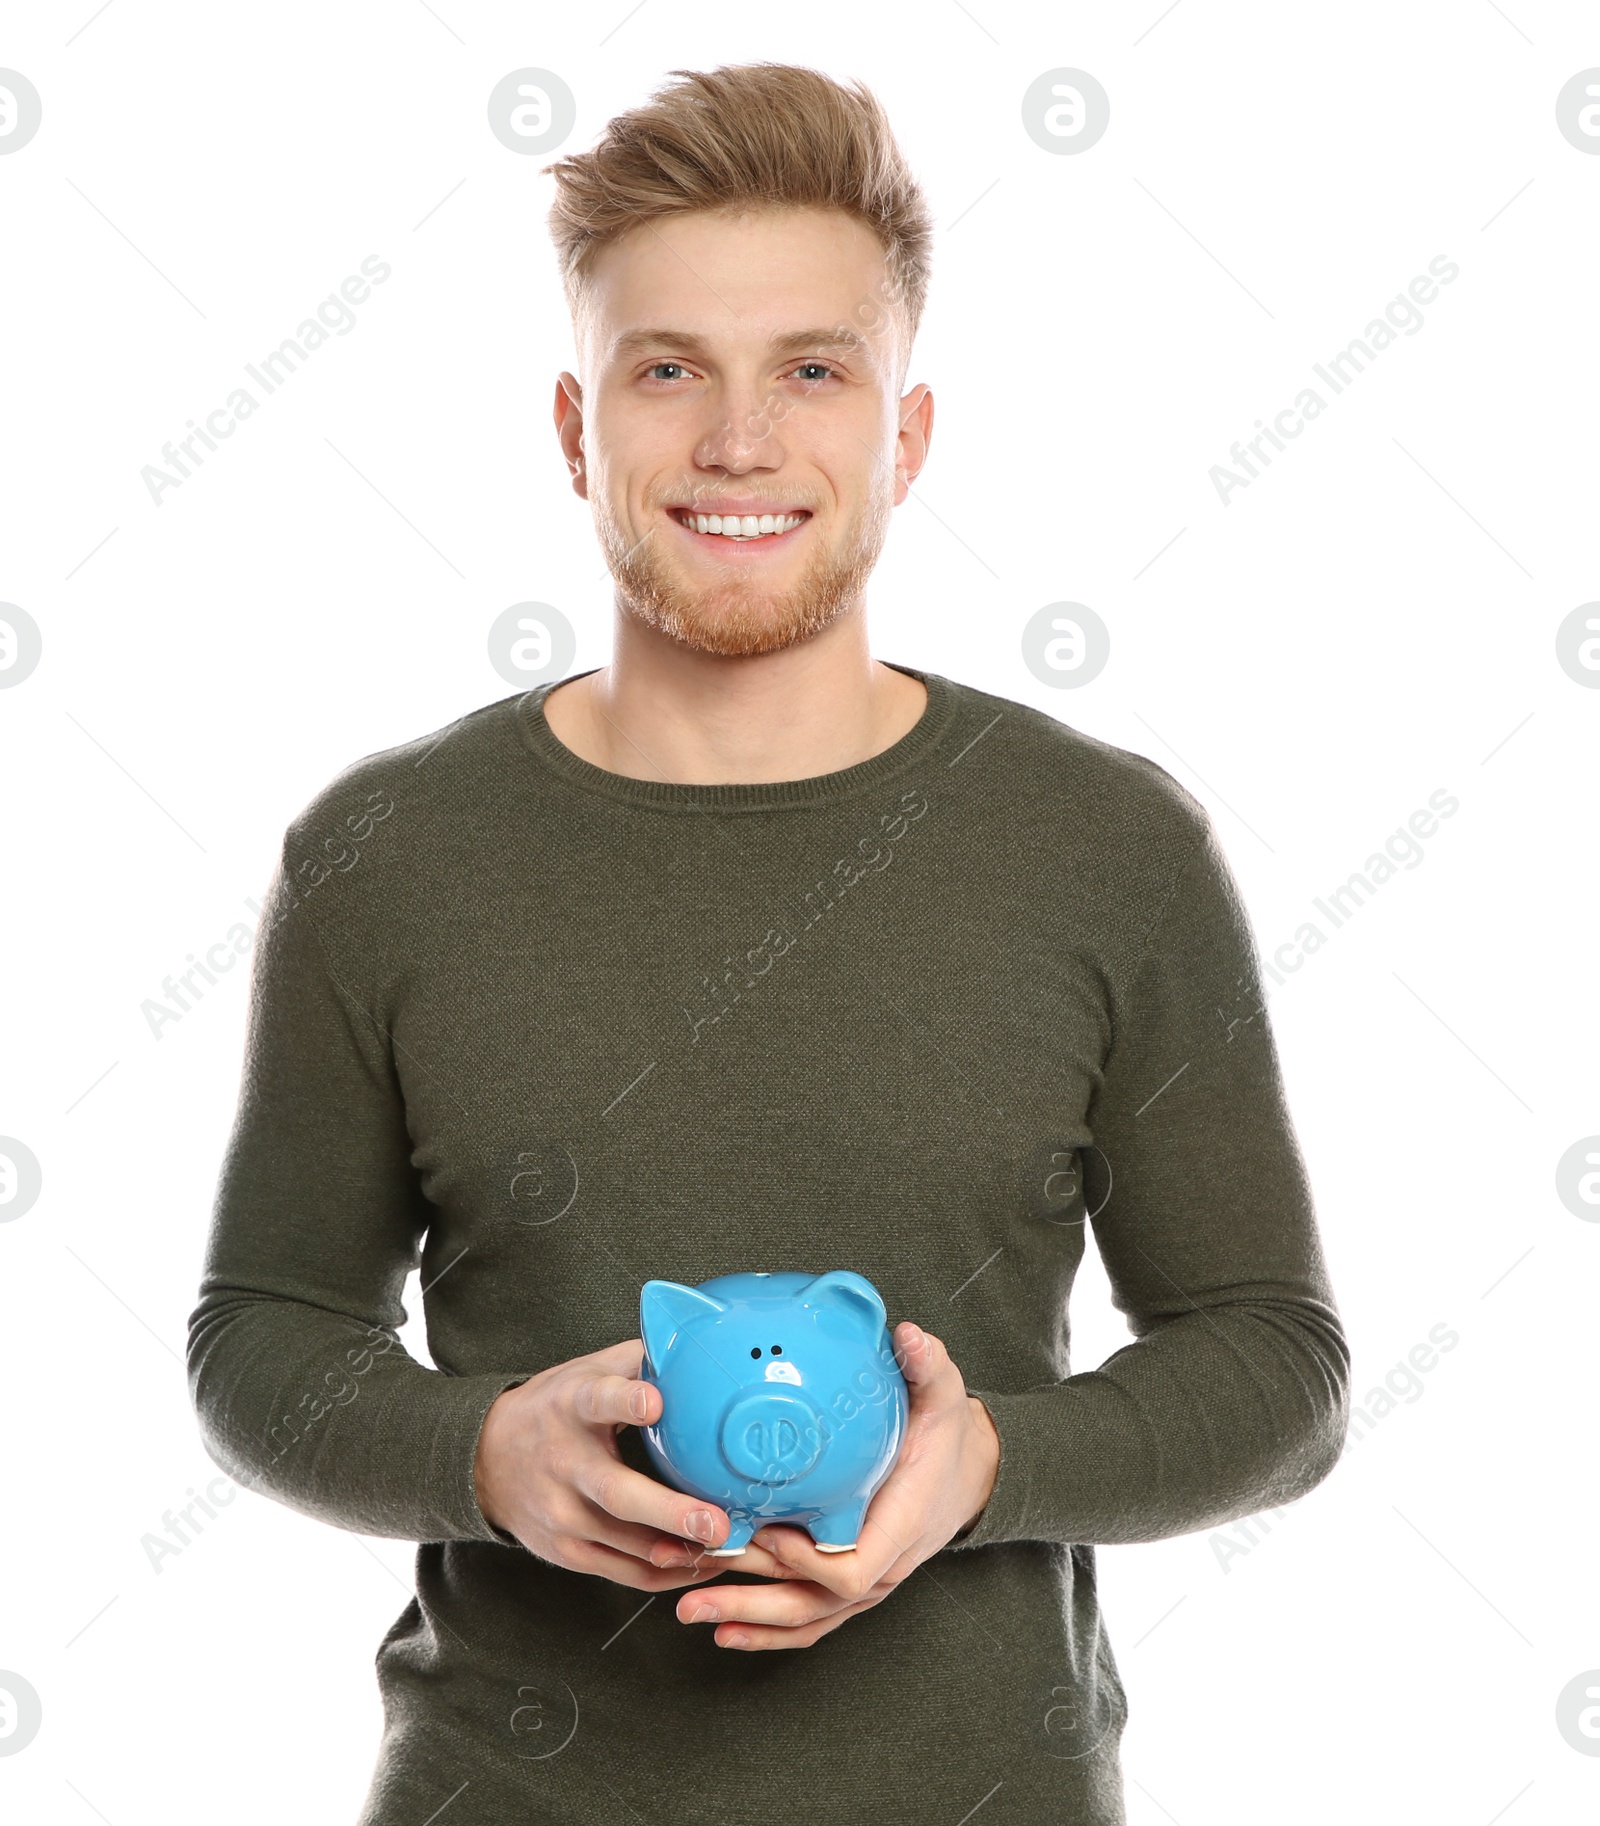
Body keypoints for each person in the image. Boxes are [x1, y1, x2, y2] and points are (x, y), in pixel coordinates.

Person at [187, 61, 1349, 1826]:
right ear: (579, 429)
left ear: (908, 431)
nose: (739, 443)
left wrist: (991, 1462)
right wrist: (479, 1454)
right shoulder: (384, 854)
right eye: (670, 371)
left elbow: (1276, 1361)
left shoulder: (1107, 845)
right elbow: (262, 1332)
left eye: (813, 368)